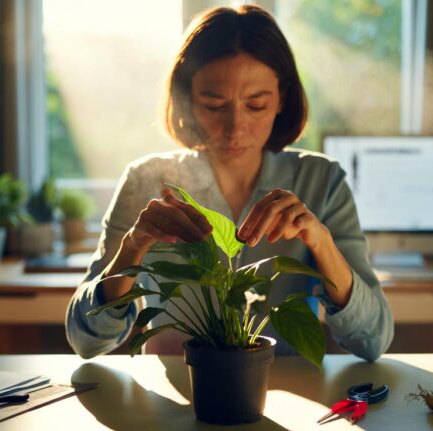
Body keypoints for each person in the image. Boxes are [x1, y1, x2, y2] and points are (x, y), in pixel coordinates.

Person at [66, 4, 393, 361]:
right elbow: (86, 341)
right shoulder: (147, 181)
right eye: (214, 104)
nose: (236, 128)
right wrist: (133, 246)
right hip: (175, 396)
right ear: (188, 100)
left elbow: (373, 340)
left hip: (287, 397)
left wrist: (320, 241)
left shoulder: (321, 180)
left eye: (256, 105)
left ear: (282, 98)